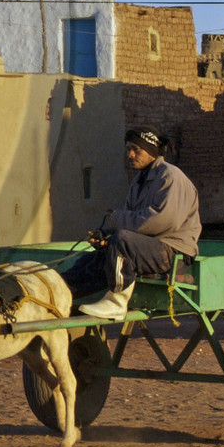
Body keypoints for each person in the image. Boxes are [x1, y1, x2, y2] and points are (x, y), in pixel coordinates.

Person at [61, 127, 200, 320]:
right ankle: (60, 290)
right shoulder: (139, 181)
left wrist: (117, 221)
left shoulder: (171, 176)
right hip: (145, 246)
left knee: (122, 240)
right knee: (97, 256)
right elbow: (130, 221)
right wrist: (106, 236)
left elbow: (163, 220)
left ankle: (117, 303)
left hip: (172, 250)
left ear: (151, 150)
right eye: (128, 149)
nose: (130, 154)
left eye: (136, 149)